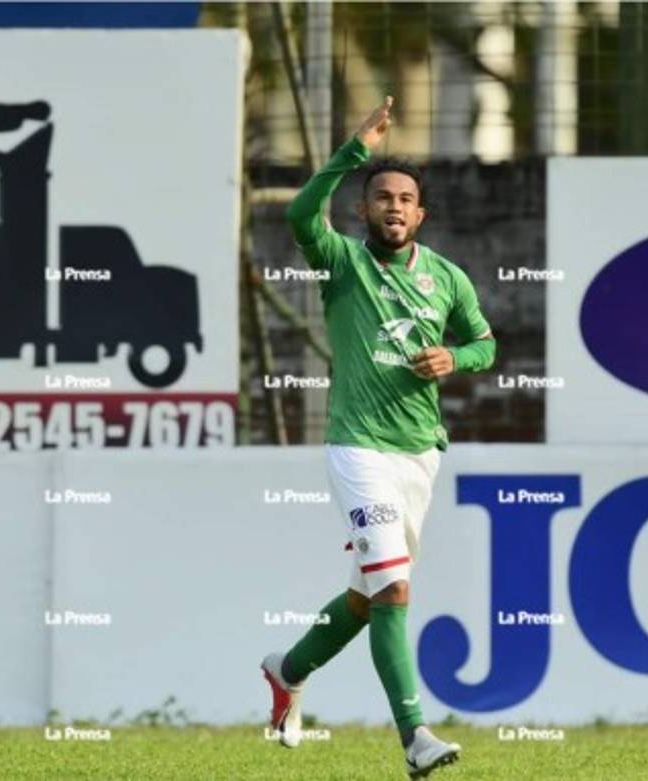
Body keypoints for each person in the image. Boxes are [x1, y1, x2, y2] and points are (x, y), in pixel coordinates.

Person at [260, 95, 495, 779]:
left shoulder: (447, 278)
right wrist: (354, 150)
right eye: (383, 197)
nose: (394, 206)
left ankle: (288, 668)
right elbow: (300, 215)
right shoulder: (341, 262)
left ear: (420, 215)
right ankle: (416, 736)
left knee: (367, 599)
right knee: (394, 590)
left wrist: (456, 358)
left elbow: (485, 343)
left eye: (406, 200)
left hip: (419, 454)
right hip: (358, 447)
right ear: (363, 210)